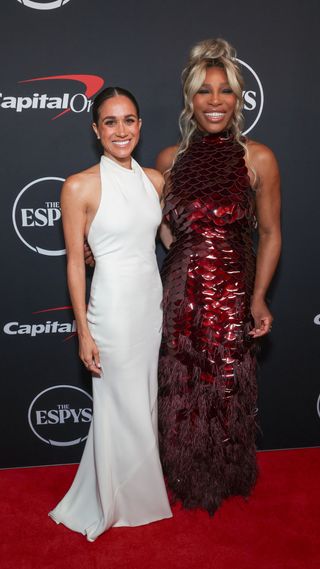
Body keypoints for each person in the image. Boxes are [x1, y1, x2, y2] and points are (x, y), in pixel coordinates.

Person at [156, 38, 281, 515]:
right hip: (179, 294)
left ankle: (226, 474)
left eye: (225, 91)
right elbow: (160, 227)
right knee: (182, 386)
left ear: (239, 98)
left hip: (233, 294)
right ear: (190, 99)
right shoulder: (170, 160)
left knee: (227, 386)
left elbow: (270, 234)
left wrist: (259, 297)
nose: (214, 101)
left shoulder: (258, 158)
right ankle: (183, 473)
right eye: (204, 91)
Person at [49, 87, 172, 541]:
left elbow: (166, 241)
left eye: (129, 120)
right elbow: (74, 263)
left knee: (143, 400)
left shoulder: (156, 180)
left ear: (139, 126)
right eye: (110, 122)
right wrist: (83, 328)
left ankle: (136, 490)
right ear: (96, 130)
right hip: (112, 310)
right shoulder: (79, 185)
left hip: (149, 305)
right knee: (119, 402)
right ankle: (121, 501)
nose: (121, 130)